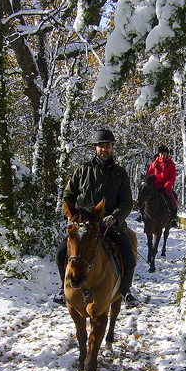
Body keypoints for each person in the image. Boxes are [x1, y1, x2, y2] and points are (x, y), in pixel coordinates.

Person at [53, 129, 140, 308]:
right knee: (62, 252)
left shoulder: (120, 174)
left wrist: (114, 218)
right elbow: (68, 195)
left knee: (128, 255)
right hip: (85, 226)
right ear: (95, 148)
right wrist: (73, 215)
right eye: (101, 146)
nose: (104, 149)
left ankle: (126, 290)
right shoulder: (82, 171)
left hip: (110, 226)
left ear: (112, 148)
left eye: (107, 146)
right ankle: (64, 288)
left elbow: (126, 203)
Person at [146, 145, 178, 227]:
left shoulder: (170, 164)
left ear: (167, 154)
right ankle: (142, 214)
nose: (162, 155)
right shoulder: (154, 163)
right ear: (158, 154)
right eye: (161, 154)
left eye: (164, 154)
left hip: (165, 188)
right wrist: (151, 183)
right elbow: (149, 174)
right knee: (145, 198)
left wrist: (166, 186)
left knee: (173, 201)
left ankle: (173, 218)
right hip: (155, 187)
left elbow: (172, 177)